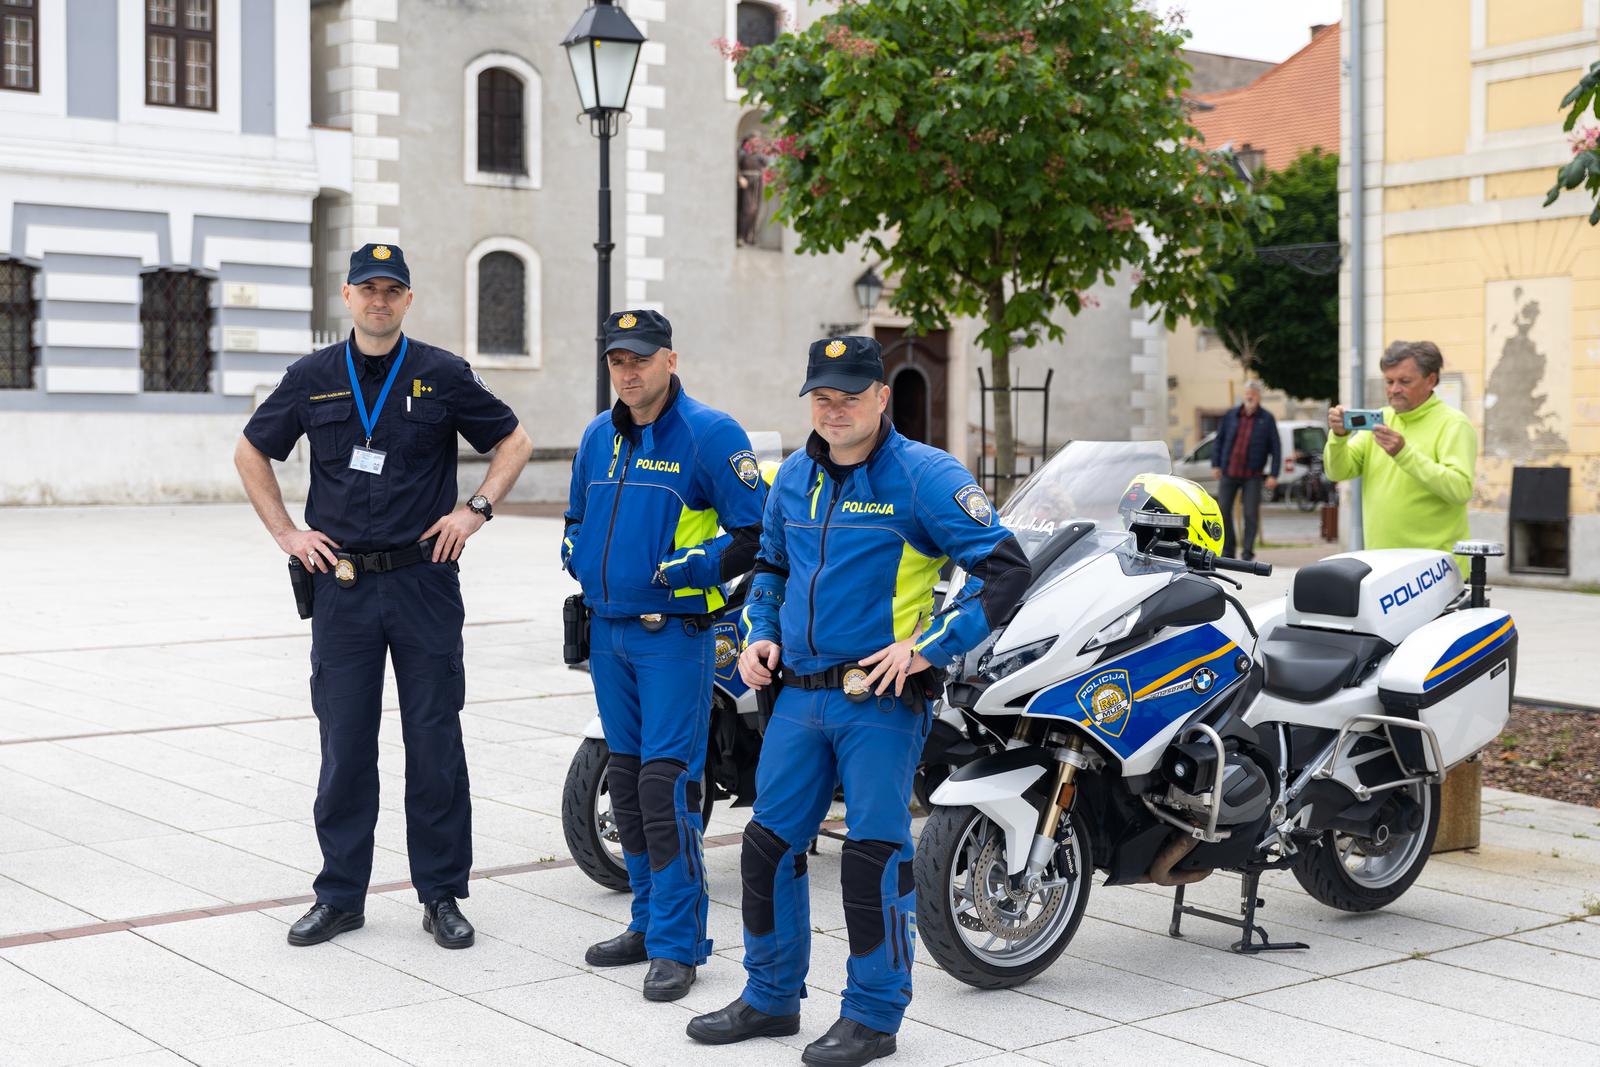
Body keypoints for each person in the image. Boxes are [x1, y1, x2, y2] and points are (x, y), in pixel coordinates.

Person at [687, 336, 1029, 1067]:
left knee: (873, 855)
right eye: (821, 396)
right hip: (798, 697)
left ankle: (874, 1016)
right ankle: (771, 996)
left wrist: (930, 646)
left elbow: (1002, 570)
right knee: (767, 845)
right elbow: (772, 568)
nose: (833, 409)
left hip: (881, 699)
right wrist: (759, 633)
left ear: (881, 397)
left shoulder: (924, 476)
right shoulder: (791, 479)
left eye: (849, 395)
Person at [235, 244, 533, 949]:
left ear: (407, 298)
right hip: (340, 587)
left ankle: (441, 894)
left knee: (434, 740)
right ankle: (340, 894)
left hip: (424, 578)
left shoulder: (441, 374)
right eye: (366, 288)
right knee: (344, 742)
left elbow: (514, 440)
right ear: (346, 295)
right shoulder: (311, 377)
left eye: (390, 290)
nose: (378, 300)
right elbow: (251, 450)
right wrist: (287, 533)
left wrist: (475, 510)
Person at [563, 309, 766, 1001]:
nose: (628, 371)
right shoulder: (598, 435)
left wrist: (693, 569)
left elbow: (755, 531)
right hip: (608, 633)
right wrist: (574, 552)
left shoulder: (710, 434)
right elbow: (577, 517)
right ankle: (646, 923)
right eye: (618, 359)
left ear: (669, 360)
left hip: (673, 636)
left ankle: (679, 944)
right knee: (624, 778)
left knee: (667, 785)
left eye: (641, 358)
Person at [1325, 340, 1476, 562]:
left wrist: (1403, 453)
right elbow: (1337, 472)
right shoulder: (1381, 419)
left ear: (1431, 380)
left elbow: (1460, 490)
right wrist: (1338, 437)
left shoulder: (1454, 423)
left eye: (1404, 381)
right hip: (1382, 563)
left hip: (1435, 569)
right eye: (1389, 381)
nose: (1394, 390)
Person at [1210, 379, 1280, 560]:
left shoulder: (1266, 418)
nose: (1249, 397)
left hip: (1252, 475)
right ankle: (1228, 549)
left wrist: (1274, 474)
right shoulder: (1231, 415)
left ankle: (1247, 551)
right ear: (1243, 395)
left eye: (1253, 395)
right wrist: (1216, 464)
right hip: (1229, 472)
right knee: (1223, 511)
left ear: (1258, 397)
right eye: (1247, 394)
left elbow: (1276, 447)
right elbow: (1219, 440)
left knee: (1250, 514)